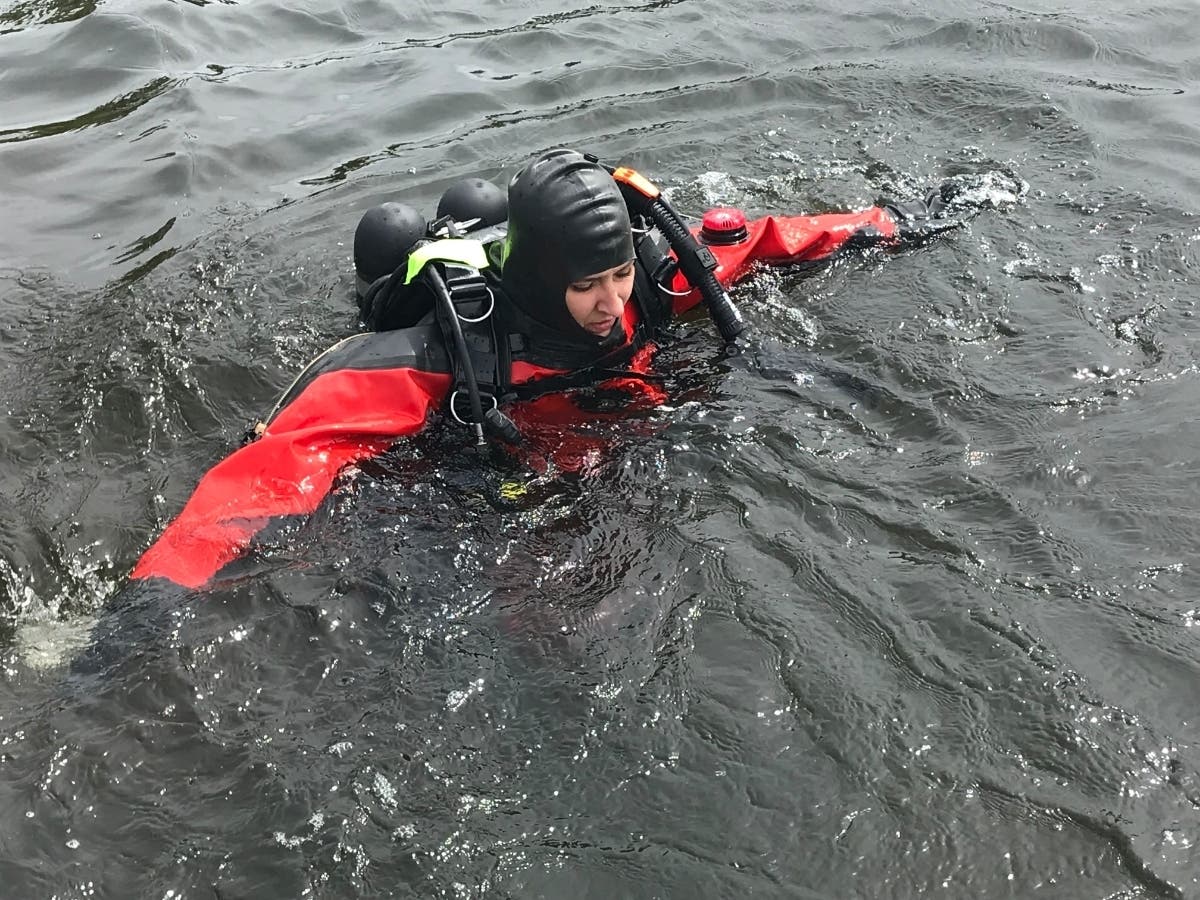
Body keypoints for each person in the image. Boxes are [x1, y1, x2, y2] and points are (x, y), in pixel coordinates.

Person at [132, 148, 958, 588]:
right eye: (585, 286)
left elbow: (769, 238)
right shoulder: (445, 355)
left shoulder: (651, 282)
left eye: (617, 277)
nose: (610, 303)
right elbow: (274, 469)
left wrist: (898, 222)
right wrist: (157, 596)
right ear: (538, 278)